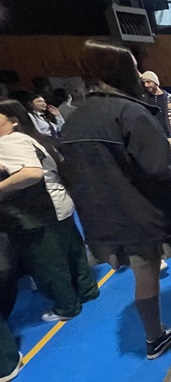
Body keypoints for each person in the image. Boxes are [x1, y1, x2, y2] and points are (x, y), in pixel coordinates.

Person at [59, 40, 171, 360]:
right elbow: (160, 170)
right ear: (119, 71)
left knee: (143, 271)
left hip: (109, 217)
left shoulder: (76, 118)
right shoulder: (130, 112)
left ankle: (155, 335)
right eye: (133, 67)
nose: (138, 73)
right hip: (150, 212)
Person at [0, 99, 100, 322]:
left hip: (37, 212)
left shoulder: (8, 142)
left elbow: (31, 174)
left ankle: (67, 306)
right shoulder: (35, 138)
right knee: (74, 253)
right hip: (59, 202)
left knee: (48, 263)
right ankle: (87, 290)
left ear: (13, 121)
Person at [141, 70, 171, 177]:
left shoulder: (169, 98)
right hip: (156, 138)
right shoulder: (145, 99)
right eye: (144, 82)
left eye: (148, 82)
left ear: (155, 82)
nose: (146, 85)